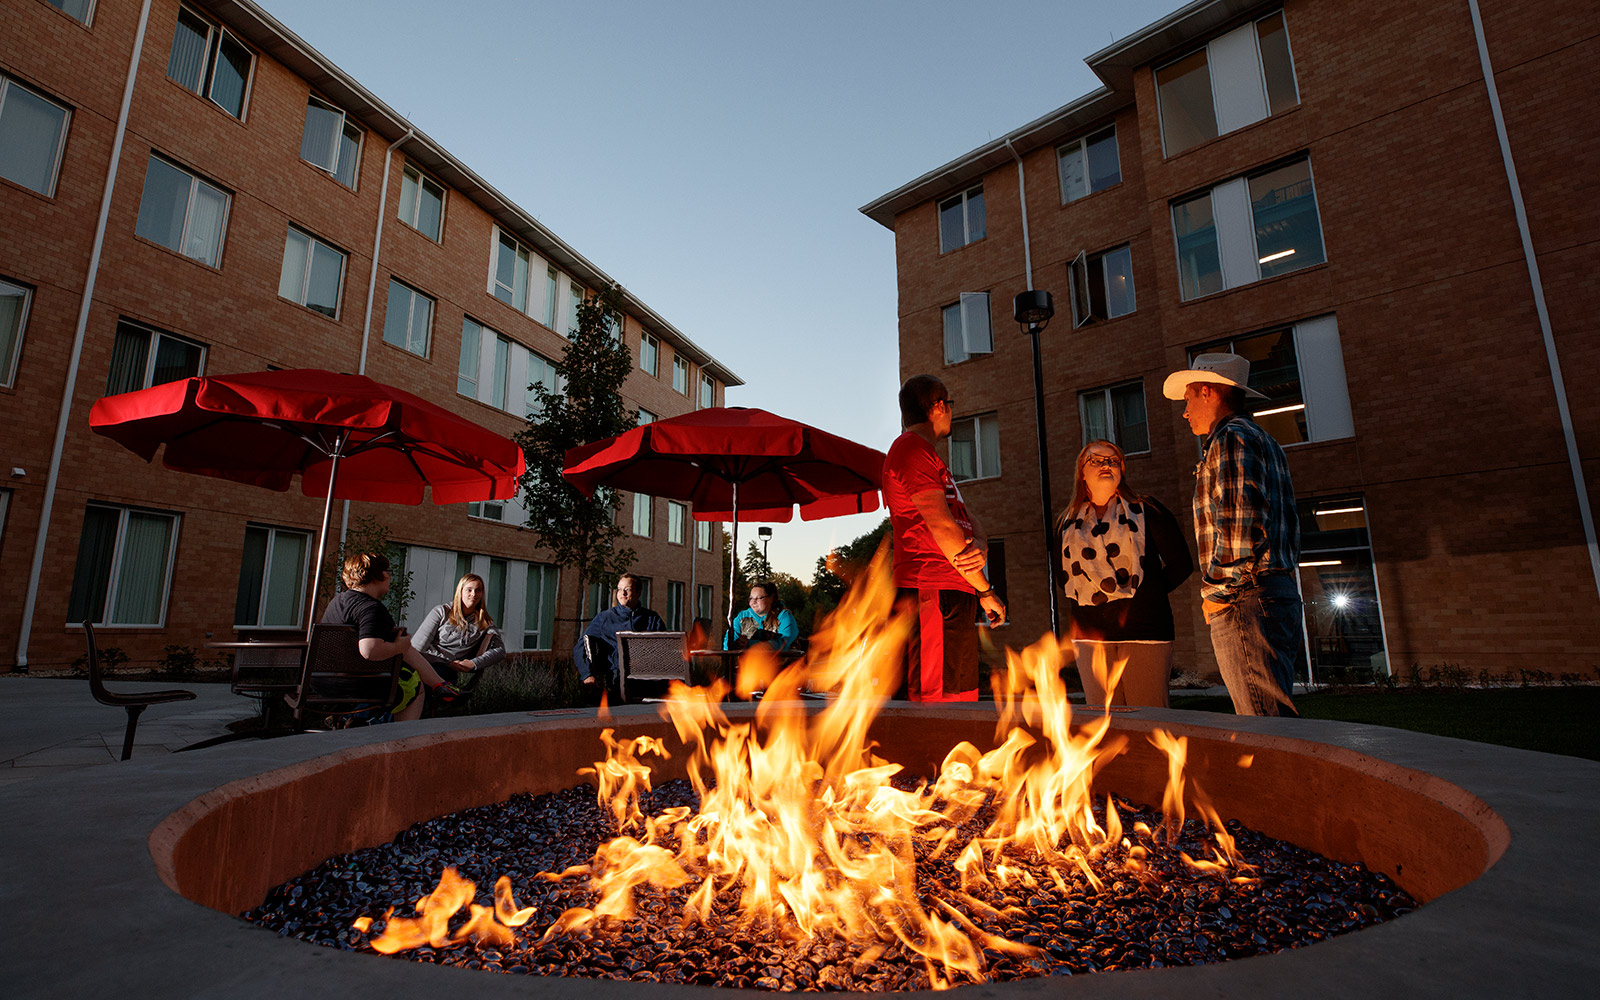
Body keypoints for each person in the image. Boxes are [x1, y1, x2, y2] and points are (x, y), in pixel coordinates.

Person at [1163, 353, 1304, 716]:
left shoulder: (1231, 439)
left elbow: (1239, 527)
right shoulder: (1265, 440)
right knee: (1273, 714)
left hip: (1246, 598)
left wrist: (1216, 591)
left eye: (1188, 400)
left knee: (1263, 723)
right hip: (1274, 592)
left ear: (1208, 392)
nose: (1185, 412)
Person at [882, 374, 1007, 702]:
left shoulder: (930, 457)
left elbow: (967, 520)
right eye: (949, 405)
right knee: (934, 707)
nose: (950, 412)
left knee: (959, 700)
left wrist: (980, 545)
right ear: (938, 407)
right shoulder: (910, 450)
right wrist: (987, 591)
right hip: (931, 591)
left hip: (952, 589)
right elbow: (943, 528)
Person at [1056, 440, 1193, 707]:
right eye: (1096, 460)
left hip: (1146, 632)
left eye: (1113, 460)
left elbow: (1182, 564)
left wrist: (1148, 593)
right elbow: (1062, 578)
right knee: (1103, 728)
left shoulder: (1147, 510)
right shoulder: (1066, 522)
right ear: (1081, 472)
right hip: (1090, 636)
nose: (1106, 464)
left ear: (1123, 470)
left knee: (1148, 724)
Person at [321, 552, 462, 722]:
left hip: (323, 683)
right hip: (354, 686)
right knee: (414, 687)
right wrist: (398, 647)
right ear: (378, 576)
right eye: (388, 572)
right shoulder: (370, 608)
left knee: (404, 662)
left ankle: (439, 685)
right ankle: (399, 741)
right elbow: (369, 650)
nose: (389, 577)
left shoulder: (338, 601)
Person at [410, 573, 506, 692]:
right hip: (427, 665)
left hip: (447, 673)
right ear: (460, 591)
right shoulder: (441, 612)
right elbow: (417, 648)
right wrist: (449, 662)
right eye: (469, 590)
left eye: (478, 590)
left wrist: (474, 663)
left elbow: (500, 651)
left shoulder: (485, 622)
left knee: (444, 677)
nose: (473, 594)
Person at [573, 573, 667, 694]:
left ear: (638, 593)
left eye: (627, 589)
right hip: (617, 680)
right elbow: (580, 647)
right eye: (619, 589)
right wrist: (587, 675)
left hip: (649, 679)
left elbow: (664, 649)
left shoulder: (652, 619)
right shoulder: (605, 618)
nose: (622, 593)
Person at [724, 581, 800, 652]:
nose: (753, 602)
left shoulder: (783, 616)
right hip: (749, 665)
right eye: (751, 598)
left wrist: (750, 644)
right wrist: (736, 644)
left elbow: (784, 644)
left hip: (783, 665)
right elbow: (728, 643)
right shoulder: (742, 617)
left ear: (771, 598)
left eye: (759, 598)